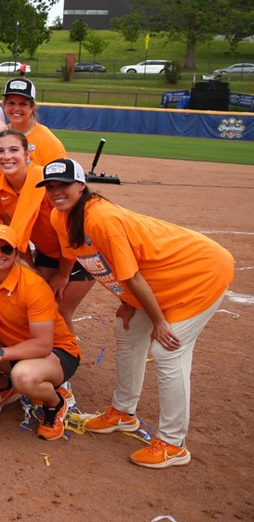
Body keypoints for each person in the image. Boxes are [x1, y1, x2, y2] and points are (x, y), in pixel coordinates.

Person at [41, 158, 234, 468]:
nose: (56, 192)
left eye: (63, 185)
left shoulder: (101, 219)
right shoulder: (59, 217)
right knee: (126, 328)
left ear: (81, 186)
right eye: (50, 187)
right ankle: (123, 413)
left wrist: (158, 321)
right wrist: (129, 302)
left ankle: (173, 444)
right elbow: (104, 265)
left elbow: (132, 275)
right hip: (159, 281)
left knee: (167, 350)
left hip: (200, 273)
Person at [0, 224, 81, 440]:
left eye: (6, 249)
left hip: (55, 353)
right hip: (10, 347)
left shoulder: (33, 285)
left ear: (17, 252)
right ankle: (1, 386)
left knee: (23, 376)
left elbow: (43, 344)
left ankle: (54, 403)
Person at [0, 130, 94, 329]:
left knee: (60, 310)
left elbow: (71, 233)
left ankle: (69, 356)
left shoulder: (46, 183)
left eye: (14, 150)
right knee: (37, 304)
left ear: (27, 155)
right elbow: (15, 231)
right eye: (0, 151)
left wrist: (63, 275)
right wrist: (30, 268)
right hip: (47, 253)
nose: (6, 156)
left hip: (79, 252)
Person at [0, 78, 66, 166]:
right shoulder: (0, 136)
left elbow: (59, 178)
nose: (16, 109)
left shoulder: (48, 142)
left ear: (32, 107)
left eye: (23, 104)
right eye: (11, 103)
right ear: (4, 105)